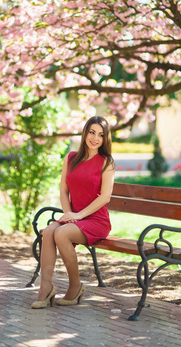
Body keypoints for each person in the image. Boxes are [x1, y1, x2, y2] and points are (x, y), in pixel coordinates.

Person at [31, 115, 115, 309]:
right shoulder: (71, 158)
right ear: (85, 133)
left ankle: (75, 286)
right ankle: (45, 289)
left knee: (60, 233)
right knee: (50, 231)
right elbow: (63, 190)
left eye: (101, 135)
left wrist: (77, 216)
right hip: (75, 217)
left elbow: (105, 197)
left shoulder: (106, 162)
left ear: (105, 139)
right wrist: (69, 214)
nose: (95, 138)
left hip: (96, 221)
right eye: (92, 132)